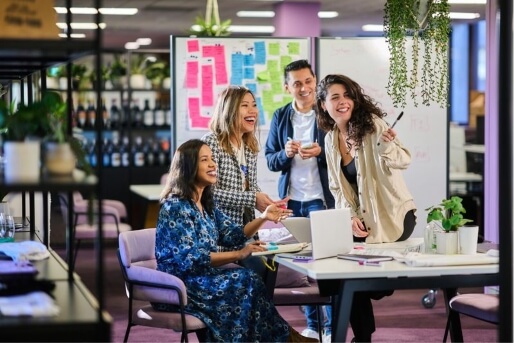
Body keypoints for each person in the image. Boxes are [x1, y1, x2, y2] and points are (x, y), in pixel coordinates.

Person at [153, 139, 316, 342]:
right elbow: (191, 258)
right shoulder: (175, 207)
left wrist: (263, 217)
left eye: (212, 159)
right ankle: (285, 338)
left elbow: (234, 235)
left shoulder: (207, 204)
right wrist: (239, 254)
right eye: (205, 160)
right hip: (180, 284)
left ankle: (282, 337)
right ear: (188, 168)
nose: (213, 164)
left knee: (247, 280)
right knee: (245, 280)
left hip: (203, 278)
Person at [316, 74, 417, 342]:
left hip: (393, 217)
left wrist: (387, 146)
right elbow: (337, 188)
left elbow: (403, 160)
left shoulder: (372, 126)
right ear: (323, 105)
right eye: (335, 97)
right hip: (363, 223)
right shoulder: (330, 139)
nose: (343, 101)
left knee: (354, 279)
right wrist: (349, 217)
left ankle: (382, 285)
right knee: (337, 275)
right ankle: (363, 337)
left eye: (347, 95)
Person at [265, 59, 335, 342]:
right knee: (299, 266)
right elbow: (271, 160)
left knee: (326, 264)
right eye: (297, 83)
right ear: (287, 87)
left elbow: (345, 156)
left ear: (315, 82)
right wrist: (286, 154)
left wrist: (322, 152)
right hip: (293, 200)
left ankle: (330, 328)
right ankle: (313, 325)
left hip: (321, 198)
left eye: (308, 81)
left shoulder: (327, 113)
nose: (304, 88)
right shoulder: (280, 116)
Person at [202, 85, 285, 276]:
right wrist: (252, 198)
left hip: (246, 230)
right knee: (261, 272)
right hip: (221, 234)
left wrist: (265, 201)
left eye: (254, 105)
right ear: (229, 110)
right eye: (245, 105)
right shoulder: (211, 143)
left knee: (270, 268)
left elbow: (249, 185)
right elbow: (209, 193)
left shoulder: (249, 145)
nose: (252, 111)